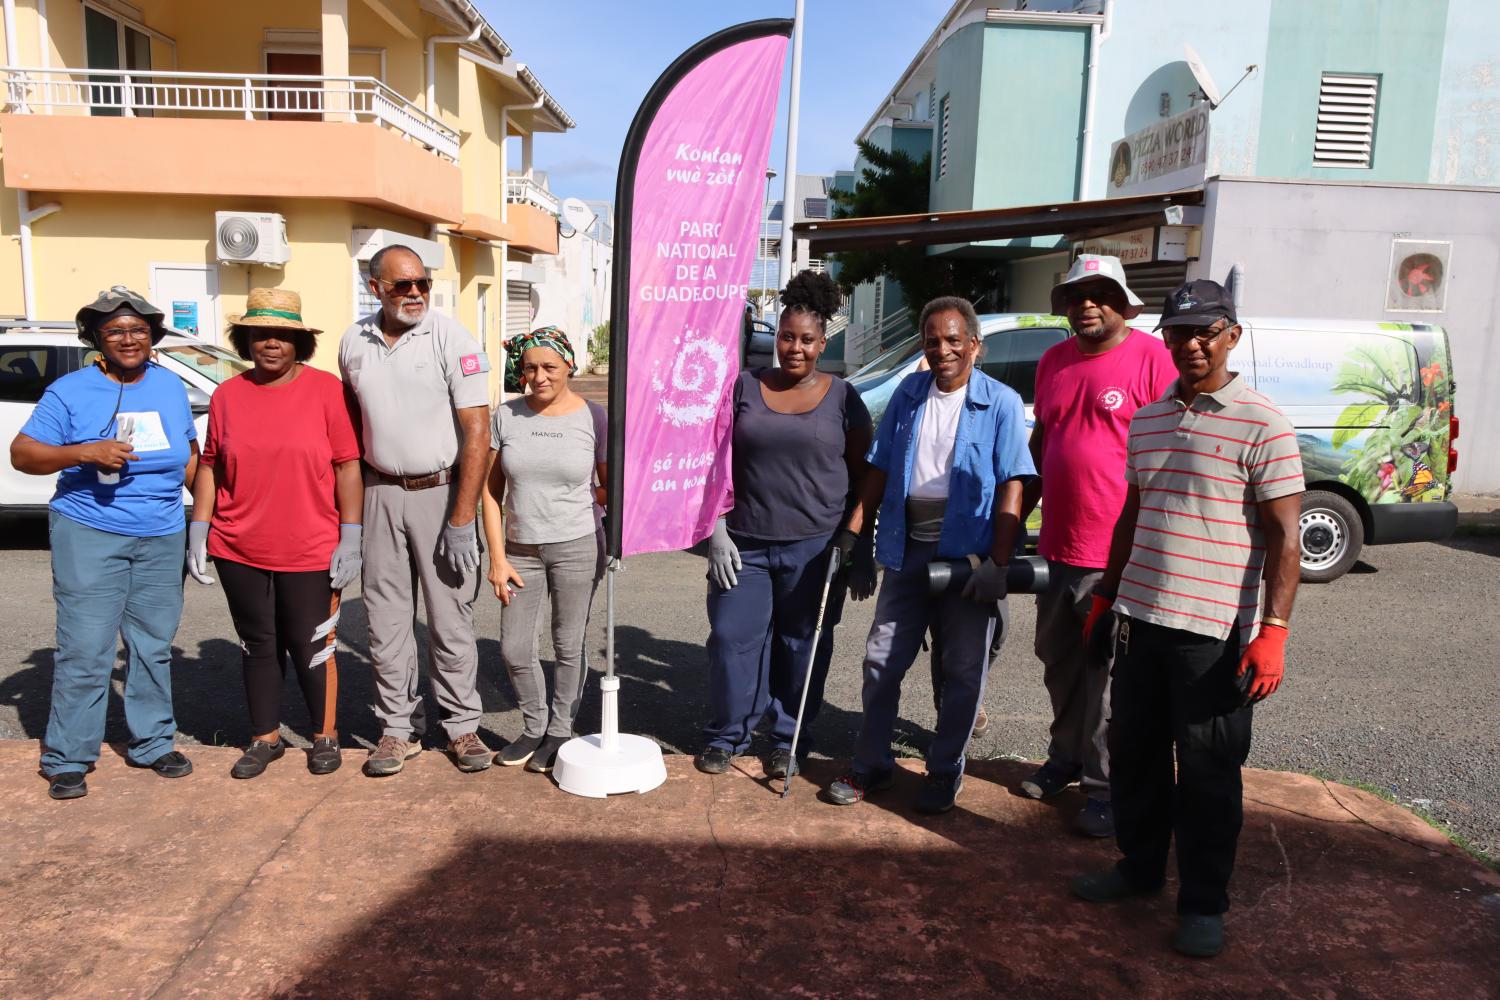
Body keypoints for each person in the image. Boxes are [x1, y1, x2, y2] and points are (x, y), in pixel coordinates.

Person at [1070, 280, 1304, 958]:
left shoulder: (1264, 421)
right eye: (1178, 333)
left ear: (1232, 334)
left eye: (1205, 331)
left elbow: (1286, 537)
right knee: (1136, 757)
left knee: (1206, 774)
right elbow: (1133, 515)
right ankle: (1140, 869)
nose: (1191, 344)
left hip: (1213, 632)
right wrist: (1109, 596)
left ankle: (1203, 903)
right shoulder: (1147, 419)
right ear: (1164, 339)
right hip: (1140, 619)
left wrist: (1274, 633)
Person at [827, 296, 1034, 814]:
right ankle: (871, 764)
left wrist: (999, 565)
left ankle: (945, 771)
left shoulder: (1001, 403)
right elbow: (878, 467)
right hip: (908, 548)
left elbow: (1014, 483)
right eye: (932, 341)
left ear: (975, 346)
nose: (943, 350)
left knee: (964, 672)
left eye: (953, 340)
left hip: (968, 557)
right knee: (880, 662)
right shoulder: (909, 393)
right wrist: (855, 533)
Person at [9, 288, 198, 799]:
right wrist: (83, 451)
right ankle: (68, 756)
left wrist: (204, 520)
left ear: (153, 336)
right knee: (86, 649)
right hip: (89, 530)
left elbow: (189, 456)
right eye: (115, 330)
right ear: (95, 337)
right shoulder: (69, 391)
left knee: (153, 646)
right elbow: (23, 454)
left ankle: (153, 742)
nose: (128, 339)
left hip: (161, 534)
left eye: (138, 329)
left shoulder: (169, 385)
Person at [1018, 255, 1175, 838]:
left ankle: (1105, 785)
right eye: (1077, 295)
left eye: (1100, 293)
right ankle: (1064, 759)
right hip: (1058, 548)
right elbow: (1041, 444)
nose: (1086, 304)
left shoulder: (1152, 359)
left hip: (1119, 557)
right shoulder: (1054, 361)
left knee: (1107, 676)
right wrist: (1014, 520)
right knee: (1059, 663)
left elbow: (1170, 452)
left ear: (1122, 301)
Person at [696, 271, 873, 780]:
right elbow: (712, 461)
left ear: (824, 341)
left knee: (801, 645)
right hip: (744, 543)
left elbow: (865, 477)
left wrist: (858, 545)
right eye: (787, 337)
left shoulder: (843, 397)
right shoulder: (743, 386)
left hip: (815, 547)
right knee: (732, 639)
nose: (795, 348)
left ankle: (786, 738)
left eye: (807, 340)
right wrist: (717, 529)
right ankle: (727, 734)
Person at [186, 289, 362, 779]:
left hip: (311, 547)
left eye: (284, 336)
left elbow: (348, 466)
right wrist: (199, 527)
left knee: (311, 646)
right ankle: (264, 737)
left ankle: (325, 735)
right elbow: (211, 466)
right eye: (261, 334)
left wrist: (352, 534)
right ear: (245, 340)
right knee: (257, 644)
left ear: (299, 343)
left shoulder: (327, 390)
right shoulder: (227, 395)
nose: (272, 344)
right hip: (238, 545)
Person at [339, 244, 493, 776]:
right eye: (401, 284)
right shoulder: (352, 341)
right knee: (384, 621)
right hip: (380, 491)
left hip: (440, 493)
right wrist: (350, 525)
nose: (414, 294)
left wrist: (461, 518)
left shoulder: (452, 338)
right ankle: (397, 730)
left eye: (422, 284)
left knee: (450, 619)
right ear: (375, 286)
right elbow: (349, 432)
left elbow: (478, 433)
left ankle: (462, 726)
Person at [482, 326, 606, 774]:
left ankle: (559, 730)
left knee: (568, 643)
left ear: (568, 365)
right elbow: (490, 493)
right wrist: (497, 559)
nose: (539, 376)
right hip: (519, 549)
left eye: (550, 366)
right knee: (515, 648)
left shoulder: (594, 417)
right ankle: (534, 726)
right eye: (531, 367)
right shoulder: (507, 416)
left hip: (577, 545)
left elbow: (608, 488)